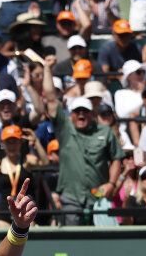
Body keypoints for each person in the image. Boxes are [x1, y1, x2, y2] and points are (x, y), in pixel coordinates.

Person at [27, 67, 122, 226]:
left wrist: (111, 184)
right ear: (71, 114)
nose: (81, 114)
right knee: (71, 239)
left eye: (85, 111)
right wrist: (48, 69)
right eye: (77, 111)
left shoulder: (104, 132)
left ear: (92, 113)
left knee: (102, 238)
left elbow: (117, 158)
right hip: (71, 198)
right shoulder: (64, 128)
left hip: (98, 197)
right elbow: (51, 98)